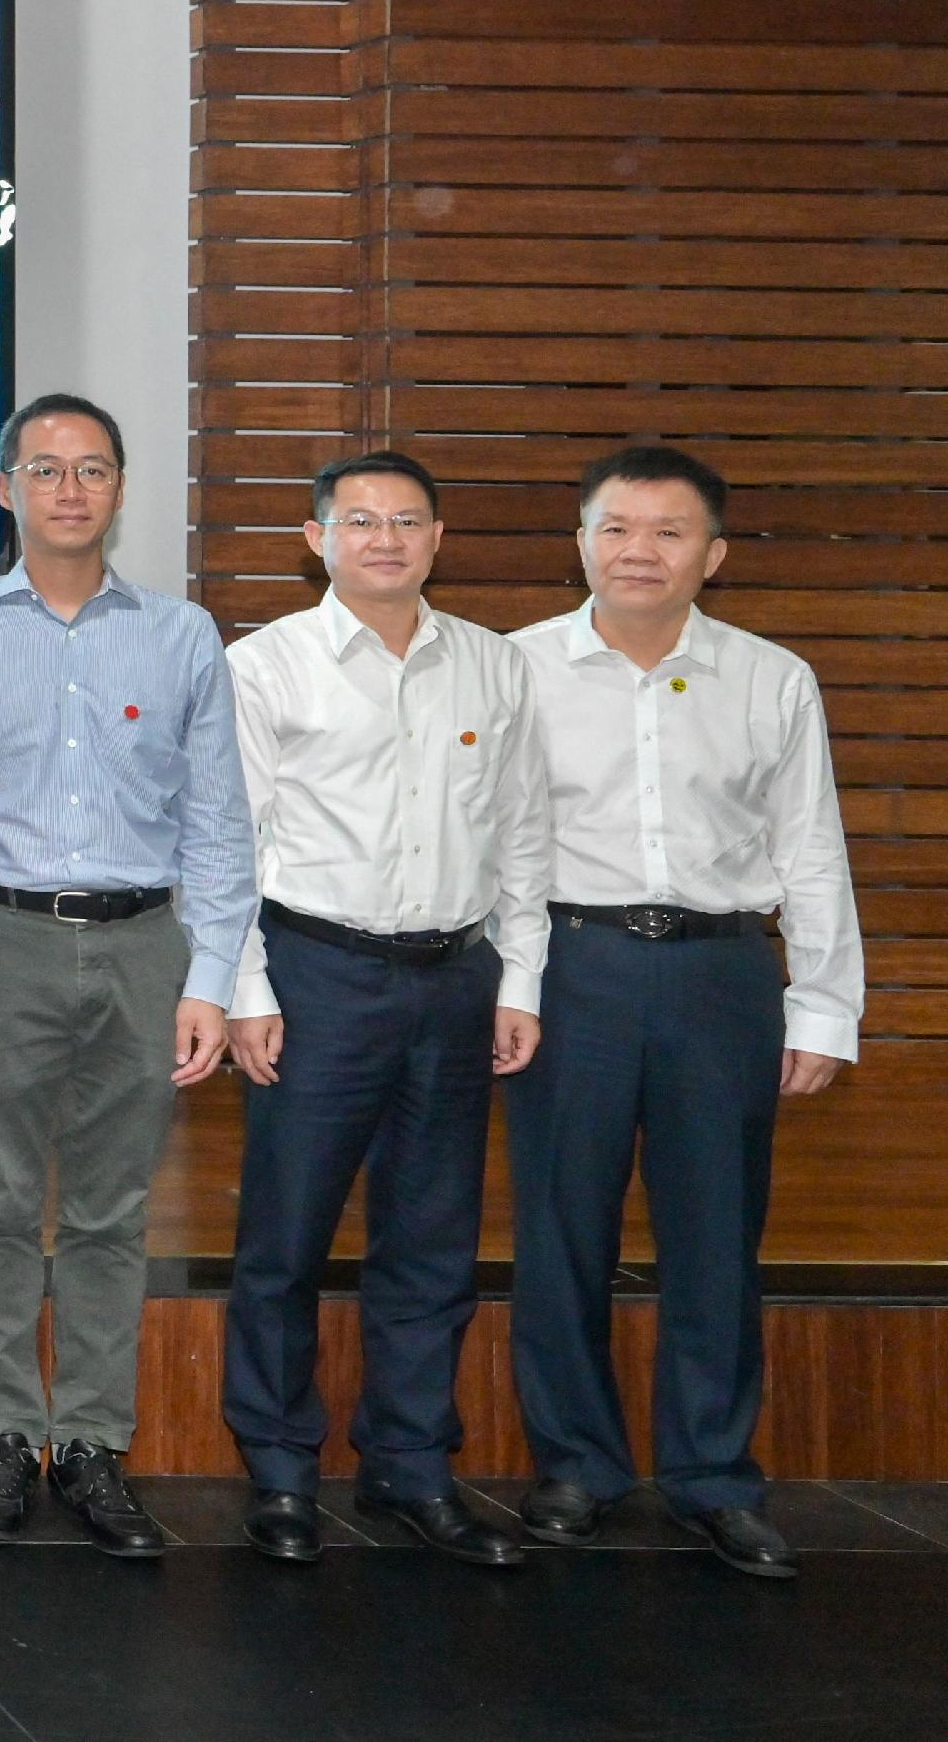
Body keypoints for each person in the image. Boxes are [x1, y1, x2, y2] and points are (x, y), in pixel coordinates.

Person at [506, 446, 862, 1580]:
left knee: (717, 1231)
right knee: (563, 1226)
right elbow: (495, 847)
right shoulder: (514, 670)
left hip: (722, 976)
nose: (639, 551)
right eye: (616, 528)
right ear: (580, 542)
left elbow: (810, 848)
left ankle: (714, 1473)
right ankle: (576, 1463)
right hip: (574, 966)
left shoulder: (770, 677)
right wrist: (509, 986)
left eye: (667, 532)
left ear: (710, 553)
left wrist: (822, 1005)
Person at [0, 392, 252, 1558]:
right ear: (6, 487)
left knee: (113, 1207)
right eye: (44, 468)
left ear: (118, 487)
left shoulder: (180, 634)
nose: (69, 488)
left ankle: (95, 1441)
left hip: (140, 939)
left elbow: (216, 819)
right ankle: (6, 1431)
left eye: (92, 468)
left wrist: (208, 973)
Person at [221, 448, 552, 1567]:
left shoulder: (493, 667)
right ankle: (277, 1469)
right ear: (314, 537)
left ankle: (411, 1465)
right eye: (358, 519)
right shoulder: (263, 665)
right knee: (286, 1238)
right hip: (316, 974)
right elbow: (232, 843)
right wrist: (244, 987)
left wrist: (518, 977)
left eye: (406, 519)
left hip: (455, 976)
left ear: (436, 536)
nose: (384, 538)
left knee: (432, 1239)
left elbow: (522, 835)